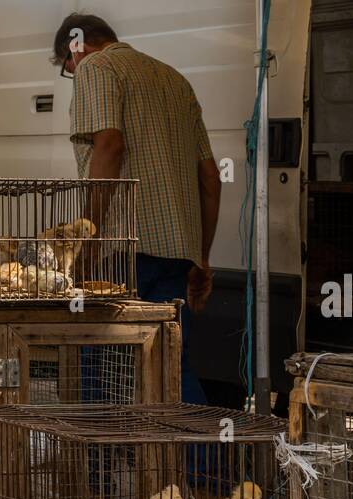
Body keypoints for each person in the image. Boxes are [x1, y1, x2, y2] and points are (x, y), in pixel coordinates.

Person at [53, 13, 221, 406]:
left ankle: (94, 467)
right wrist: (202, 260)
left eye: (67, 68)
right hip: (176, 253)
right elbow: (211, 178)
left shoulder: (96, 66)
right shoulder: (175, 79)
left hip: (123, 251)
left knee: (95, 362)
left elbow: (109, 145)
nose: (73, 74)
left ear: (75, 48)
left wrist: (90, 240)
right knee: (170, 366)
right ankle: (201, 467)